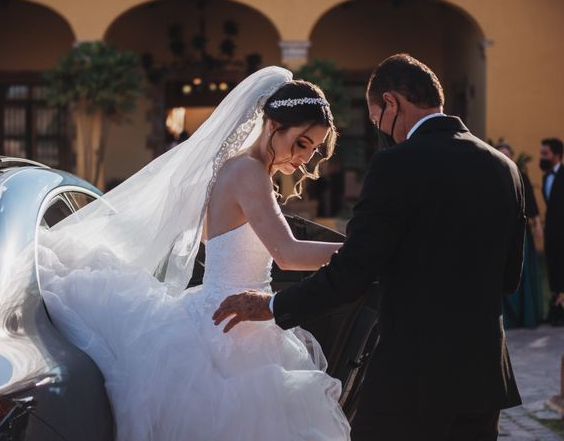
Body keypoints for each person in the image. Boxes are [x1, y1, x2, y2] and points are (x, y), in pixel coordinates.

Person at [214, 54, 524, 441]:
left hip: (412, 375)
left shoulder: (396, 164)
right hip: (483, 376)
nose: (384, 132)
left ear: (390, 103)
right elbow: (509, 277)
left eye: (377, 119)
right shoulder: (504, 168)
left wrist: (273, 305)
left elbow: (355, 271)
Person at [39, 67, 351, 440]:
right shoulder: (249, 172)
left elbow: (223, 242)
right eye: (301, 143)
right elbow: (287, 253)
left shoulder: (235, 168)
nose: (304, 158)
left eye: (313, 149)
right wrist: (362, 251)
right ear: (272, 125)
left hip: (230, 318)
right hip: (230, 329)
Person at [496, 141, 543, 328]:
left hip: (519, 233)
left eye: (507, 154)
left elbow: (530, 202)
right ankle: (504, 318)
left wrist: (537, 225)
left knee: (520, 272)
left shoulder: (520, 175)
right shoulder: (491, 174)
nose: (504, 157)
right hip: (498, 233)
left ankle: (526, 316)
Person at [540, 137, 564, 326]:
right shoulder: (546, 176)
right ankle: (555, 307)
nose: (542, 156)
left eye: (545, 153)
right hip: (551, 234)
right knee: (553, 270)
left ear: (556, 155)